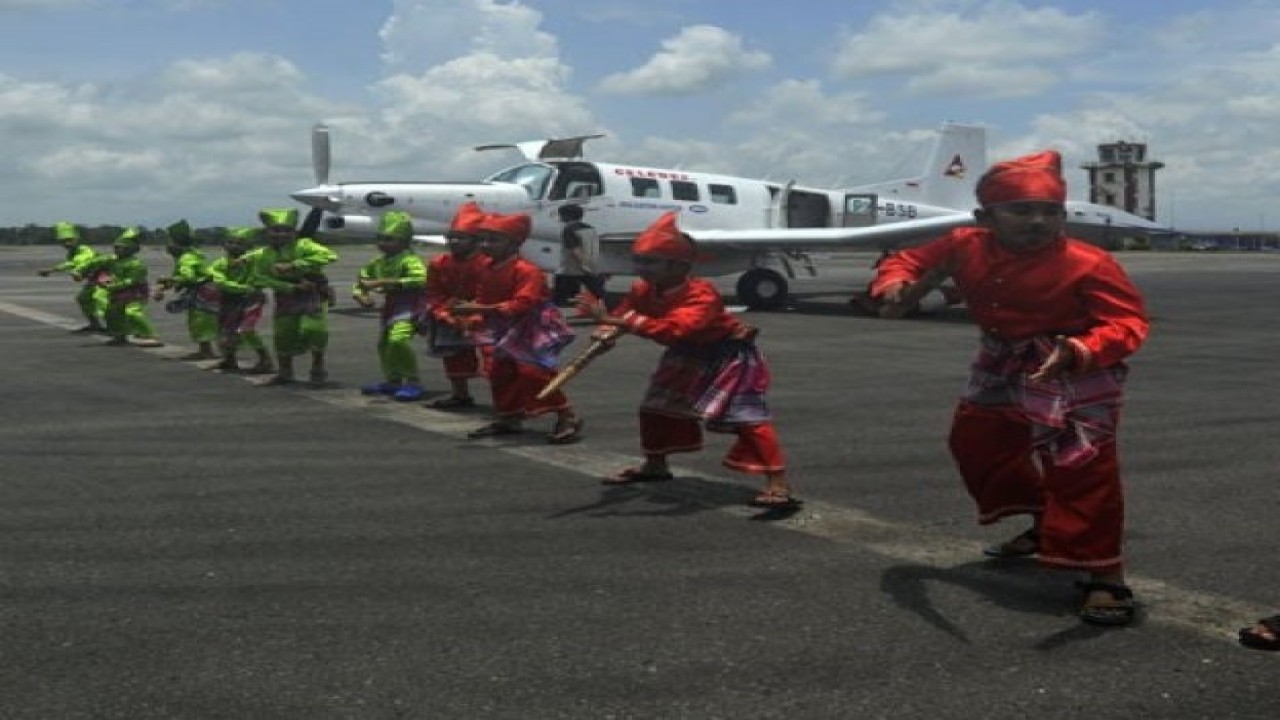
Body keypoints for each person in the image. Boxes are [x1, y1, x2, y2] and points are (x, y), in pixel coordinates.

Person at [869, 150, 1149, 626]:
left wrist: (1078, 351)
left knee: (1083, 468)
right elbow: (905, 262)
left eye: (1051, 212)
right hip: (1001, 360)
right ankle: (1043, 522)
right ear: (985, 217)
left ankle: (1105, 576)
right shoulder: (961, 243)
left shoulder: (1090, 262)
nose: (1039, 222)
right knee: (975, 440)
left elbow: (1128, 322)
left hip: (1072, 364)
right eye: (1022, 211)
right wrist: (893, 285)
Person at [576, 211, 797, 508]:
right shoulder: (643, 289)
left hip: (727, 356)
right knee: (653, 408)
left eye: (651, 262)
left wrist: (620, 322)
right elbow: (623, 314)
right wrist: (605, 331)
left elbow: (676, 329)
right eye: (639, 260)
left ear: (679, 266)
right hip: (686, 354)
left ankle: (778, 482)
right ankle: (655, 466)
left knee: (747, 419)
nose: (642, 268)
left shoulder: (701, 294)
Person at [450, 210, 583, 443]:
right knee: (500, 372)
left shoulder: (527, 270)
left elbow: (523, 303)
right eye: (482, 239)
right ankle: (509, 417)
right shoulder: (488, 268)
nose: (485, 244)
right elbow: (483, 297)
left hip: (532, 325)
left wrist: (478, 311)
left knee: (534, 372)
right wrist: (471, 316)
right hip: (504, 324)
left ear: (514, 243)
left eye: (493, 239)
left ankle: (566, 415)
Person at [251, 208, 338, 387]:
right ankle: (285, 372)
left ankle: (318, 367)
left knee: (315, 330)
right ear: (267, 233)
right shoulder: (262, 255)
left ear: (294, 232)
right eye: (276, 230)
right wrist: (289, 286)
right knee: (283, 334)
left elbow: (329, 255)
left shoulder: (305, 245)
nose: (281, 234)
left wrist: (295, 265)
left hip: (311, 294)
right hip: (286, 296)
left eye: (287, 230)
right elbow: (258, 277)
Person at [353, 211, 430, 401]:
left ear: (404, 242)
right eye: (380, 238)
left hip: (411, 307)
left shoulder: (410, 260)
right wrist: (360, 295)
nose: (383, 243)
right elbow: (362, 280)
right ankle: (393, 380)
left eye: (389, 239)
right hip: (391, 308)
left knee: (398, 340)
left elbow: (420, 279)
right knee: (385, 345)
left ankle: (413, 381)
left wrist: (382, 282)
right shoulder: (377, 262)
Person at [422, 201, 488, 409]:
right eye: (451, 237)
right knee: (453, 355)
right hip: (451, 315)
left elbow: (491, 293)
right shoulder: (439, 263)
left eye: (460, 237)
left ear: (476, 241)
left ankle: (509, 403)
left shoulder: (488, 263)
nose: (454, 241)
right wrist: (443, 312)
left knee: (495, 359)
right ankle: (460, 394)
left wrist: (473, 312)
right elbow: (434, 293)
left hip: (486, 314)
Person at [79, 226, 163, 347]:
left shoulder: (136, 264)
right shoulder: (113, 260)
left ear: (131, 250)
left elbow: (131, 281)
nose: (117, 250)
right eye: (116, 247)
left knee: (133, 313)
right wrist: (81, 270)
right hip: (116, 293)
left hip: (134, 293)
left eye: (121, 248)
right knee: (112, 313)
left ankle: (151, 335)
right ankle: (119, 335)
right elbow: (95, 262)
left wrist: (111, 286)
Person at [207, 226, 274, 374]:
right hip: (229, 299)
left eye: (239, 243)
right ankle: (229, 360)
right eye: (230, 242)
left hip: (251, 301)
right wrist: (244, 288)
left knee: (246, 329)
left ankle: (265, 359)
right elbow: (220, 281)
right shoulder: (219, 264)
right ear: (224, 244)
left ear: (248, 247)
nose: (234, 246)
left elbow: (264, 260)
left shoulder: (254, 261)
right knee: (225, 330)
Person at [153, 220, 220, 360]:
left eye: (170, 242)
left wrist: (168, 281)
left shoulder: (186, 258)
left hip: (203, 292)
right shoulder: (188, 256)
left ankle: (206, 351)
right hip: (205, 291)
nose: (167, 246)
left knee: (200, 320)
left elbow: (187, 277)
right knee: (199, 320)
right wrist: (165, 286)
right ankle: (205, 349)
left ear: (178, 244)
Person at [36, 221, 107, 332]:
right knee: (83, 299)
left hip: (104, 277)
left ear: (77, 239)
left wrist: (52, 270)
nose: (66, 244)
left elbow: (76, 263)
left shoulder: (85, 249)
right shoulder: (71, 253)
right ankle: (95, 324)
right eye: (63, 241)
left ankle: (117, 328)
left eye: (69, 240)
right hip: (94, 278)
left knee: (102, 301)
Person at [552, 204, 606, 305]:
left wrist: (583, 264)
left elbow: (574, 249)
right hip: (592, 265)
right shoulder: (591, 228)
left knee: (559, 296)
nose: (560, 217)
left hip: (572, 268)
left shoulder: (568, 229)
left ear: (567, 216)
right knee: (597, 292)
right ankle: (605, 307)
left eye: (561, 215)